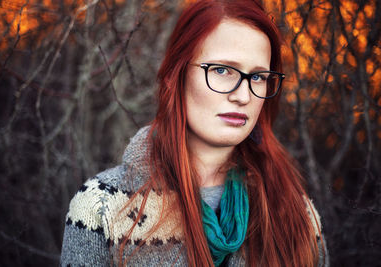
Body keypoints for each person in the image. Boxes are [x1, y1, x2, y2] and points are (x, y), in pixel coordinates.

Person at [60, 0, 328, 266]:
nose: (243, 95)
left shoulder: (296, 213)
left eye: (258, 76)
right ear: (176, 75)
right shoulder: (102, 207)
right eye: (222, 70)